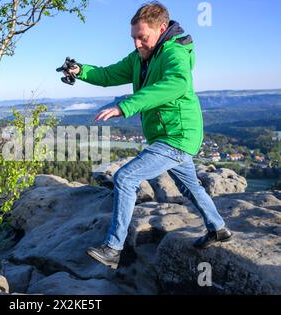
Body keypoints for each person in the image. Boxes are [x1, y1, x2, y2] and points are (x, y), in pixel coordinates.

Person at [63, 1, 232, 270]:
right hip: (165, 136)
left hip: (177, 136)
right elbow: (107, 74)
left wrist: (125, 105)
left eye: (142, 37)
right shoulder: (140, 57)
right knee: (190, 186)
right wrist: (80, 70)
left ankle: (113, 248)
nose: (137, 44)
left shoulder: (174, 53)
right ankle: (217, 228)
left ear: (161, 28)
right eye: (133, 38)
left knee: (125, 177)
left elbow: (176, 84)